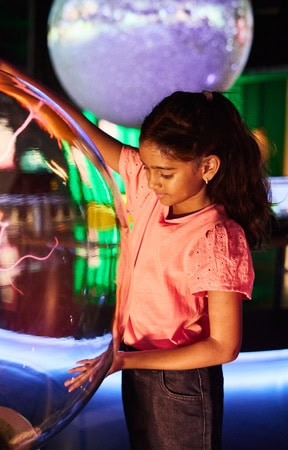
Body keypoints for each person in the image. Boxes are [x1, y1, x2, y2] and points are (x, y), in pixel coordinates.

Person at [64, 90, 275, 450]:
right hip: (137, 364)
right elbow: (80, 130)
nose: (150, 181)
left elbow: (223, 346)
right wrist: (16, 79)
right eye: (146, 168)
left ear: (207, 167)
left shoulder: (216, 236)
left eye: (164, 173)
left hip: (182, 383)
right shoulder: (153, 197)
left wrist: (127, 362)